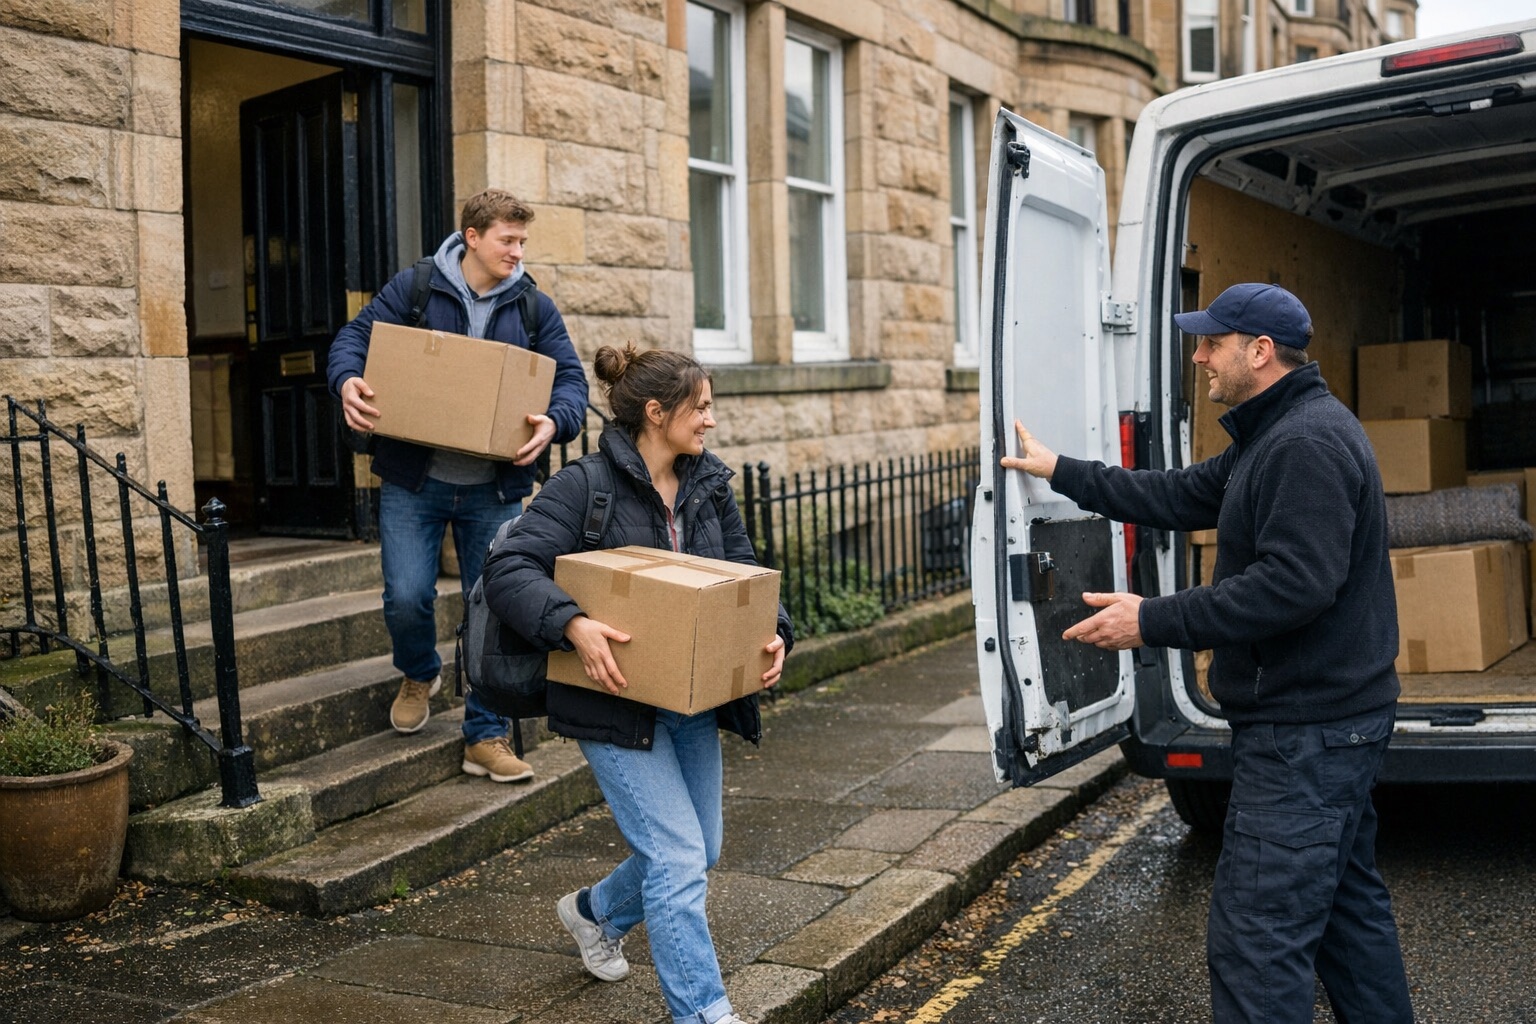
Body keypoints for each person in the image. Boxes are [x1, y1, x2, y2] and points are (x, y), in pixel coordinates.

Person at [1001, 283, 1413, 1023]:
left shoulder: (1306, 444)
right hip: (1329, 724)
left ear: (1259, 351)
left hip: (1306, 733)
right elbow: (1181, 495)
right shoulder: (1274, 433)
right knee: (1348, 922)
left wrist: (1152, 618)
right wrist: (1062, 470)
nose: (1198, 357)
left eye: (1211, 342)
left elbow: (1294, 586)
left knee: (1257, 943)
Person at [480, 343, 792, 1024]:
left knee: (699, 849)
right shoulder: (582, 487)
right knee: (678, 857)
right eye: (700, 406)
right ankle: (704, 1012)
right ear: (656, 412)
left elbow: (746, 577)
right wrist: (574, 626)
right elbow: (510, 570)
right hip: (612, 699)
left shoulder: (707, 484)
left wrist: (775, 634)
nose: (710, 421)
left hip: (689, 699)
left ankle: (593, 913)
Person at [327, 188, 589, 784]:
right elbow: (352, 340)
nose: (518, 252)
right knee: (407, 596)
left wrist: (556, 420)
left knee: (493, 610)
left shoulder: (532, 307)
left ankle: (485, 734)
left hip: (493, 492)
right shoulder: (416, 289)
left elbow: (570, 379)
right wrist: (346, 382)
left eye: (523, 241)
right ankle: (419, 671)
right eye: (508, 240)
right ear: (472, 237)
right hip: (413, 481)